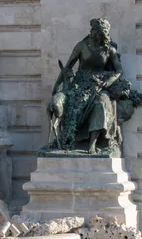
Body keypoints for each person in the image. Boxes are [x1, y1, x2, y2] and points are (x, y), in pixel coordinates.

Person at [49, 18, 126, 155]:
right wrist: (57, 85)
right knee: (70, 104)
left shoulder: (109, 50)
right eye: (94, 30)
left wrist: (109, 81)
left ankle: (93, 143)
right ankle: (68, 138)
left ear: (103, 34)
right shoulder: (81, 46)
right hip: (80, 84)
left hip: (100, 85)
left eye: (98, 31)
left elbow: (119, 70)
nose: (94, 33)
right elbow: (67, 67)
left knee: (101, 103)